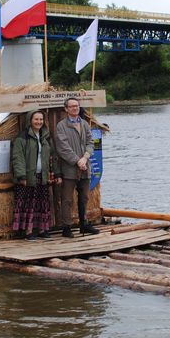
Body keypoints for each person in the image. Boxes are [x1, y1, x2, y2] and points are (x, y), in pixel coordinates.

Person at [12, 110, 61, 240]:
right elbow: (18, 158)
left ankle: (42, 229)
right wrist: (21, 176)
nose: (39, 122)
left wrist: (56, 173)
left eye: (41, 119)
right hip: (28, 177)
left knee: (43, 204)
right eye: (36, 119)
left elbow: (52, 156)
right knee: (29, 204)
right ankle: (28, 231)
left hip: (43, 176)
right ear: (30, 121)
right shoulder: (22, 138)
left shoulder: (45, 137)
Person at [55, 97, 100, 238]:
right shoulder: (61, 126)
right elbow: (63, 148)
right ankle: (66, 227)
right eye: (72, 106)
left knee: (84, 197)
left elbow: (90, 143)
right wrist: (77, 161)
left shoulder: (85, 124)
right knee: (67, 199)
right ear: (66, 109)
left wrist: (85, 158)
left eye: (77, 106)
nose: (75, 108)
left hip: (85, 168)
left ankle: (84, 225)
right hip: (69, 169)